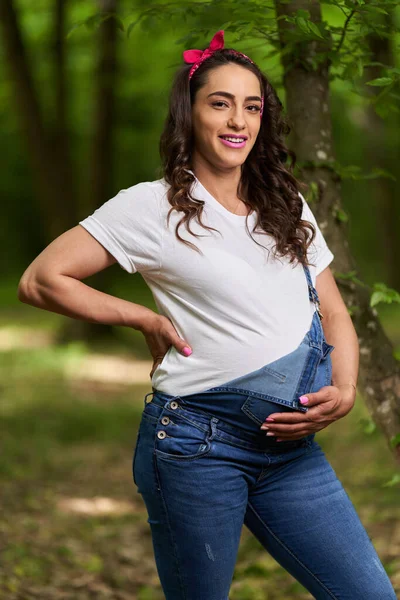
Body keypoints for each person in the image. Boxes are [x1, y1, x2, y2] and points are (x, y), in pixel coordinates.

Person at [18, 29, 397, 600]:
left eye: (252, 106)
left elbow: (335, 311)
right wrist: (142, 318)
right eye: (220, 103)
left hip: (291, 452)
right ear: (189, 113)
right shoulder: (151, 205)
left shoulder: (285, 202)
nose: (237, 120)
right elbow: (42, 279)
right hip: (198, 447)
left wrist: (344, 389)